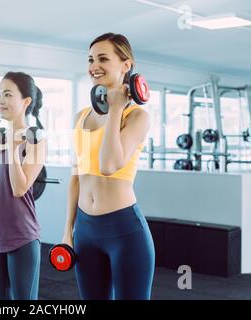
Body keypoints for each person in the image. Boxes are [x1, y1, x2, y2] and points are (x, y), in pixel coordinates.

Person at [61, 32, 155, 300]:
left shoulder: (136, 116)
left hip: (124, 230)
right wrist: (68, 231)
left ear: (126, 65)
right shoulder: (80, 117)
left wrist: (115, 109)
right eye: (90, 59)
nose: (94, 66)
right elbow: (76, 178)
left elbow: (109, 164)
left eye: (103, 58)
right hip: (85, 230)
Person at [0, 71, 46, 300]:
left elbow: (19, 188)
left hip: (22, 236)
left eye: (8, 95)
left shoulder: (35, 140)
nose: (0, 100)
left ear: (26, 102)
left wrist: (13, 145)